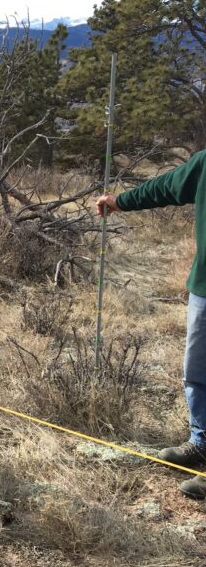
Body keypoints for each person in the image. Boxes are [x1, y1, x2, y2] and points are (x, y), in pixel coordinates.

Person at [98, 149, 206, 497]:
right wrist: (120, 202)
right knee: (197, 370)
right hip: (205, 287)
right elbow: (166, 186)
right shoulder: (205, 162)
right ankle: (201, 441)